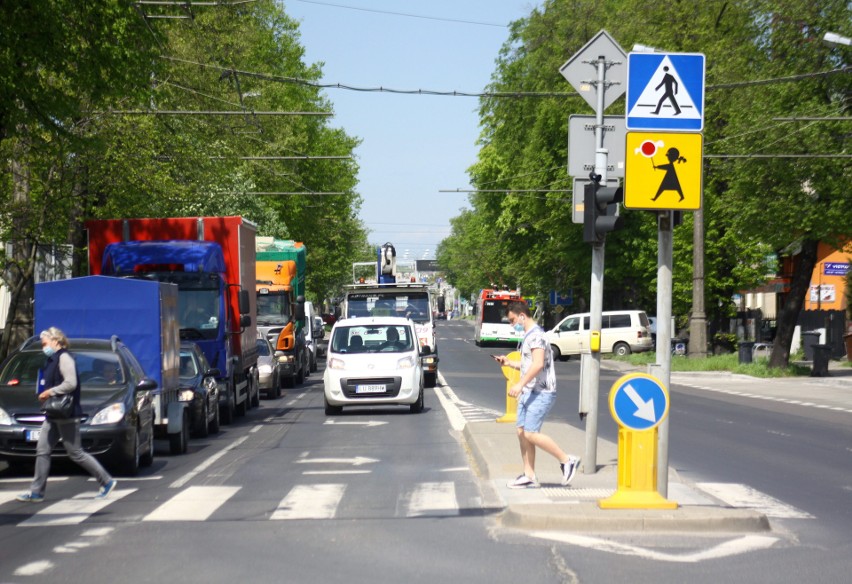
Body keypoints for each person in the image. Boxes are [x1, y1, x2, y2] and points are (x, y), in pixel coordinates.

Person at [16, 328, 117, 503]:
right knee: (42, 450)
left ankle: (106, 481)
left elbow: (71, 383)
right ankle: (36, 492)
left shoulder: (64, 358)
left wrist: (49, 392)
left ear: (56, 341)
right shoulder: (53, 359)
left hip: (66, 413)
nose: (43, 347)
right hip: (54, 413)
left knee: (76, 452)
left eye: (45, 343)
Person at [493, 302, 580, 489]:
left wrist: (519, 384)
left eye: (512, 320)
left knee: (531, 433)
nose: (512, 324)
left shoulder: (537, 336)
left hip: (541, 392)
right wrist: (509, 363)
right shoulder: (529, 336)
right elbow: (528, 365)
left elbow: (538, 364)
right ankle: (529, 474)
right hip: (529, 392)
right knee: (521, 432)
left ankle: (567, 460)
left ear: (522, 316)